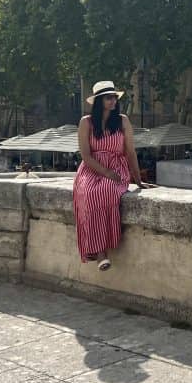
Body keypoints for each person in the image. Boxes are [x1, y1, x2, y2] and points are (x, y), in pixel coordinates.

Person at [73, 80, 155, 271]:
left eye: (115, 97)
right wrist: (105, 172)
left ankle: (101, 248)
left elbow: (130, 152)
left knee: (106, 191)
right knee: (88, 195)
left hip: (117, 167)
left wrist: (138, 179)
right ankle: (99, 251)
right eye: (109, 98)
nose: (113, 101)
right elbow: (85, 155)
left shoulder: (122, 120)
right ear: (99, 100)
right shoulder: (86, 123)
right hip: (92, 168)